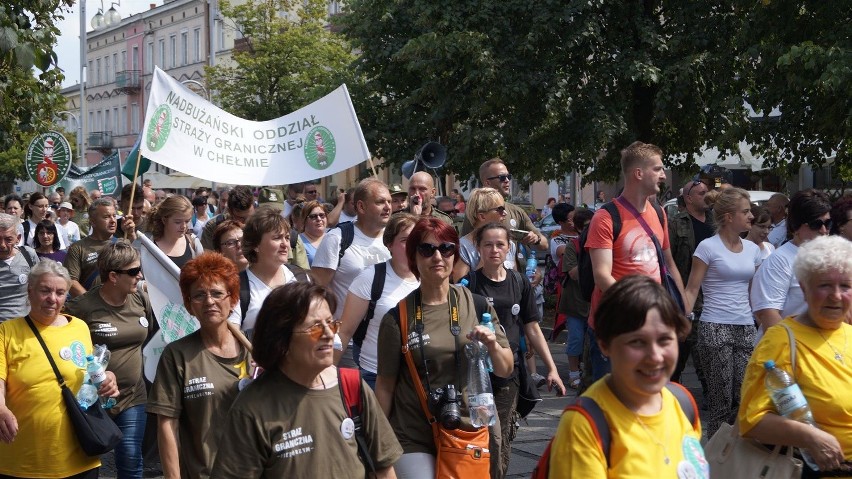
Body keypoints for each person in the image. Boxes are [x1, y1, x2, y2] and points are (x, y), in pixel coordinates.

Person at [211, 282, 403, 477]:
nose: (329, 335)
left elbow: (384, 468)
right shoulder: (251, 409)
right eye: (315, 328)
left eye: (331, 323)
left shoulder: (352, 386)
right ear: (281, 339)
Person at [375, 217, 514, 478]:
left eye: (446, 248)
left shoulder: (477, 305)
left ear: (455, 254)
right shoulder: (397, 318)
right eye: (427, 249)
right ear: (414, 257)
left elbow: (505, 369)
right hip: (413, 433)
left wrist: (492, 344)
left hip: (465, 427)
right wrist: (378, 446)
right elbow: (384, 386)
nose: (437, 256)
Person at [547, 275, 702, 478]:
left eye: (665, 339)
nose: (655, 356)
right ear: (605, 344)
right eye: (637, 342)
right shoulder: (585, 426)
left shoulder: (683, 403)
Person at [739, 235, 852, 475]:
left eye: (845, 286)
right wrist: (811, 437)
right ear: (804, 287)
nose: (836, 295)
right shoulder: (781, 341)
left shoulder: (849, 333)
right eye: (824, 285)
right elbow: (752, 420)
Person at [0, 260, 119, 478]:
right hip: (23, 460)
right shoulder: (7, 331)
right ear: (30, 291)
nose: (52, 299)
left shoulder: (79, 327)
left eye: (60, 292)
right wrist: (1, 408)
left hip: (80, 458)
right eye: (45, 290)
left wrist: (108, 377)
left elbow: (89, 374)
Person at [466, 222, 565, 475]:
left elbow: (532, 328)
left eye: (500, 244)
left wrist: (552, 368)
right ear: (478, 248)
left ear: (509, 248)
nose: (494, 250)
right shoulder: (468, 284)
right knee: (481, 435)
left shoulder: (519, 282)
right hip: (475, 374)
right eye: (488, 244)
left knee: (500, 438)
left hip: (508, 372)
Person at [585, 141, 684, 377]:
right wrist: (638, 307)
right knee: (613, 403)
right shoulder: (606, 216)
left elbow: (669, 265)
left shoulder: (659, 213)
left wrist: (680, 310)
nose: (663, 175)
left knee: (646, 399)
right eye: (658, 169)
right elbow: (601, 276)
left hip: (651, 324)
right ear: (638, 173)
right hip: (615, 326)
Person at [147, 253, 250, 479]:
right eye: (199, 295)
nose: (209, 301)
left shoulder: (256, 352)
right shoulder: (176, 355)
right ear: (189, 305)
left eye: (217, 293)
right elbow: (167, 426)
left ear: (232, 299)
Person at [65, 240, 154, 479]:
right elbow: (62, 342)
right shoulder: (82, 306)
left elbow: (153, 334)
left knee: (131, 459)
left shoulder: (140, 300)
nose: (140, 275)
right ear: (113, 276)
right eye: (134, 271)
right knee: (87, 460)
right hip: (91, 398)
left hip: (134, 396)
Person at [682, 188, 761, 438]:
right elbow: (692, 288)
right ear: (728, 217)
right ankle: (716, 463)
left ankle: (737, 458)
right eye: (746, 212)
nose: (751, 217)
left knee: (742, 398)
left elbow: (754, 292)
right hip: (714, 327)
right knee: (720, 402)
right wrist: (682, 320)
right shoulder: (707, 247)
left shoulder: (753, 249)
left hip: (746, 327)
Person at [335, 213, 420, 388]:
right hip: (374, 375)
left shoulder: (429, 277)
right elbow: (344, 332)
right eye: (405, 240)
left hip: (416, 377)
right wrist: (326, 374)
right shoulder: (370, 278)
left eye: (416, 240)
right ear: (389, 244)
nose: (412, 246)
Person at [751, 189, 832, 340]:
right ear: (796, 227)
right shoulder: (779, 261)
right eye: (816, 224)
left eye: (828, 223)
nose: (823, 230)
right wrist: (800, 349)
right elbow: (768, 315)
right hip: (788, 354)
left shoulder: (833, 258)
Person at [312, 178, 392, 319]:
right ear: (361, 207)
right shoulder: (336, 238)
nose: (388, 207)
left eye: (389, 201)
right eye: (380, 202)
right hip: (347, 338)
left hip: (386, 336)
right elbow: (317, 290)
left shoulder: (394, 239)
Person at [668, 178, 714, 385]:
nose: (706, 196)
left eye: (707, 192)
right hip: (687, 297)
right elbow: (668, 263)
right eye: (701, 193)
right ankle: (669, 389)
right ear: (688, 198)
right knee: (681, 349)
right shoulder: (676, 224)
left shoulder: (717, 222)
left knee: (706, 353)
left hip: (714, 296)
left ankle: (711, 397)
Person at [238, 205, 308, 335]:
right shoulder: (238, 286)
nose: (285, 244)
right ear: (256, 245)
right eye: (277, 238)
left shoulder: (299, 277)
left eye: (287, 238)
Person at [462, 159, 548, 256]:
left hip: (513, 269)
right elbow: (465, 246)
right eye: (502, 177)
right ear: (487, 183)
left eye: (508, 177)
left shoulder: (517, 211)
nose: (507, 180)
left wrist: (536, 239)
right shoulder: (476, 211)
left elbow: (544, 244)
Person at [560, 207, 595, 388]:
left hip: (594, 302)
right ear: (580, 228)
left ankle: (589, 372)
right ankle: (574, 373)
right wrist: (597, 267)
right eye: (589, 226)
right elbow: (573, 273)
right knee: (576, 338)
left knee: (593, 340)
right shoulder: (573, 246)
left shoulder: (599, 243)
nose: (592, 229)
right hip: (575, 303)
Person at [453, 187, 518, 281]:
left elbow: (515, 281)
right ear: (482, 216)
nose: (505, 213)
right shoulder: (463, 247)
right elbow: (460, 288)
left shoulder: (509, 244)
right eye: (500, 209)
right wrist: (486, 258)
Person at [65, 197, 122, 297]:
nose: (113, 221)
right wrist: (92, 304)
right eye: (106, 217)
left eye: (114, 216)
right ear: (93, 221)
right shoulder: (78, 248)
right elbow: (71, 282)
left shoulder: (122, 245)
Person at [0, 213, 39, 322]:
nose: (2, 245)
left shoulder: (28, 255)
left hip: (25, 326)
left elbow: (41, 286)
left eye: (8, 239)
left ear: (18, 238)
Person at [147, 195, 203, 270]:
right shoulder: (149, 243)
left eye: (187, 221)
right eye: (177, 222)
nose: (183, 226)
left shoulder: (193, 242)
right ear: (164, 220)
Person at [200, 185, 255, 250]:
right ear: (230, 212)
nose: (247, 222)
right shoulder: (213, 226)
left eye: (251, 216)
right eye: (242, 218)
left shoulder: (259, 225)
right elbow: (209, 257)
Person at [299, 200, 328, 266]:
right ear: (304, 220)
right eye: (313, 216)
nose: (319, 219)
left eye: (322, 215)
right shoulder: (298, 242)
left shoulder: (333, 238)